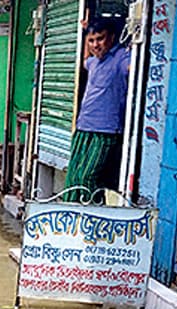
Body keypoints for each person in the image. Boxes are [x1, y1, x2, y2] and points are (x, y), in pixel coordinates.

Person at [63, 18, 130, 204]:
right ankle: (72, 217)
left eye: (100, 39)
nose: (95, 45)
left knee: (88, 177)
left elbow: (134, 68)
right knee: (73, 178)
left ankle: (92, 216)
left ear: (112, 38)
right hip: (83, 128)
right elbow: (85, 60)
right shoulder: (93, 62)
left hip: (105, 131)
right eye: (91, 41)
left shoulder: (121, 57)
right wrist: (85, 33)